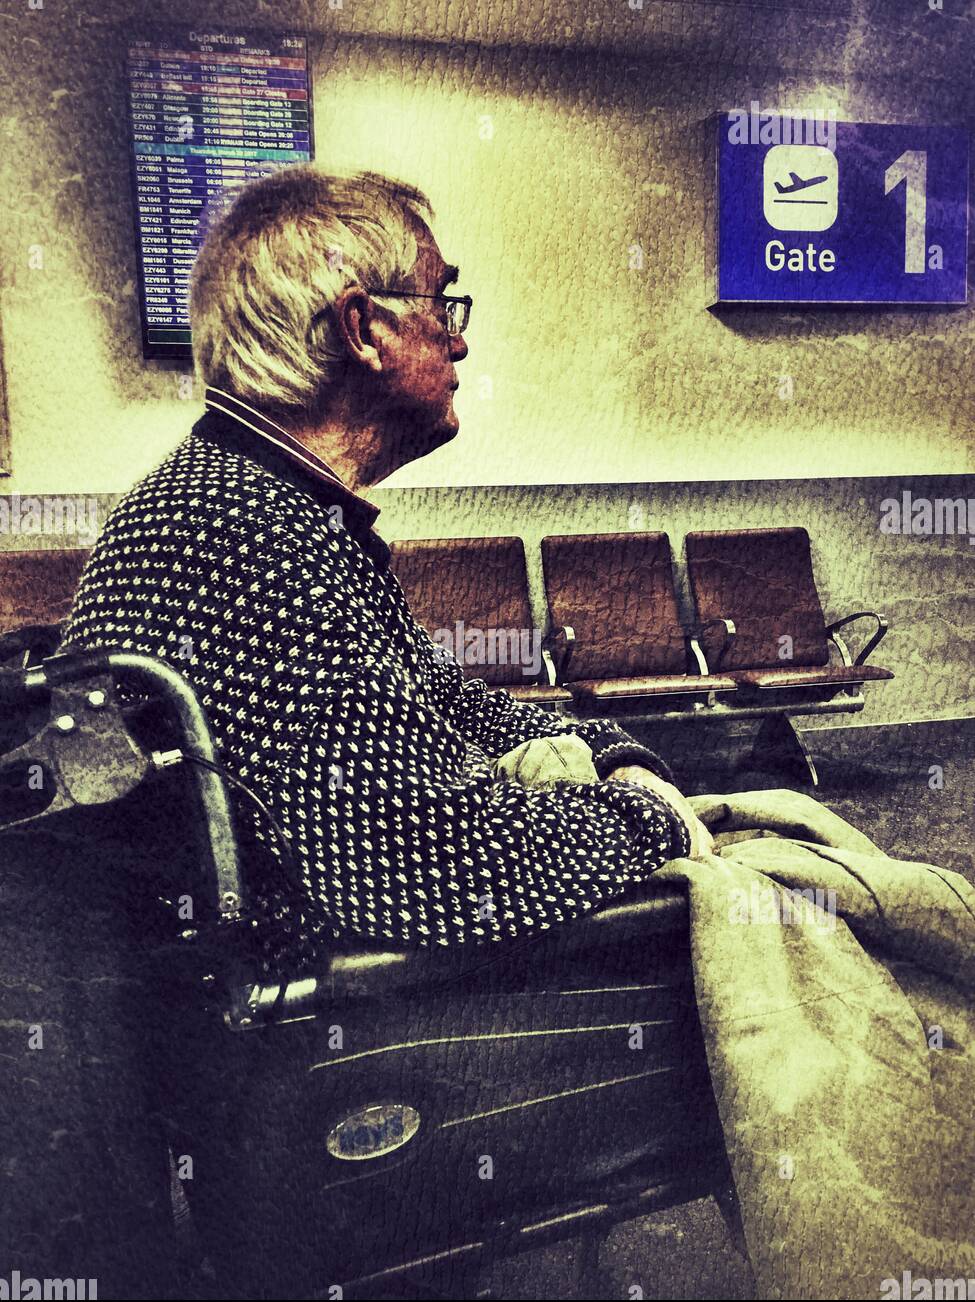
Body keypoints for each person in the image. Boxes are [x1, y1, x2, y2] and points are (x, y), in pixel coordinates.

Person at [63, 167, 712, 970]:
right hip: (318, 1013)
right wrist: (650, 819)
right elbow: (431, 866)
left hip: (298, 958)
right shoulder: (245, 531)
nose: (460, 337)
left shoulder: (249, 496)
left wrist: (605, 750)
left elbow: (434, 694)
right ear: (363, 328)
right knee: (782, 906)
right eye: (442, 303)